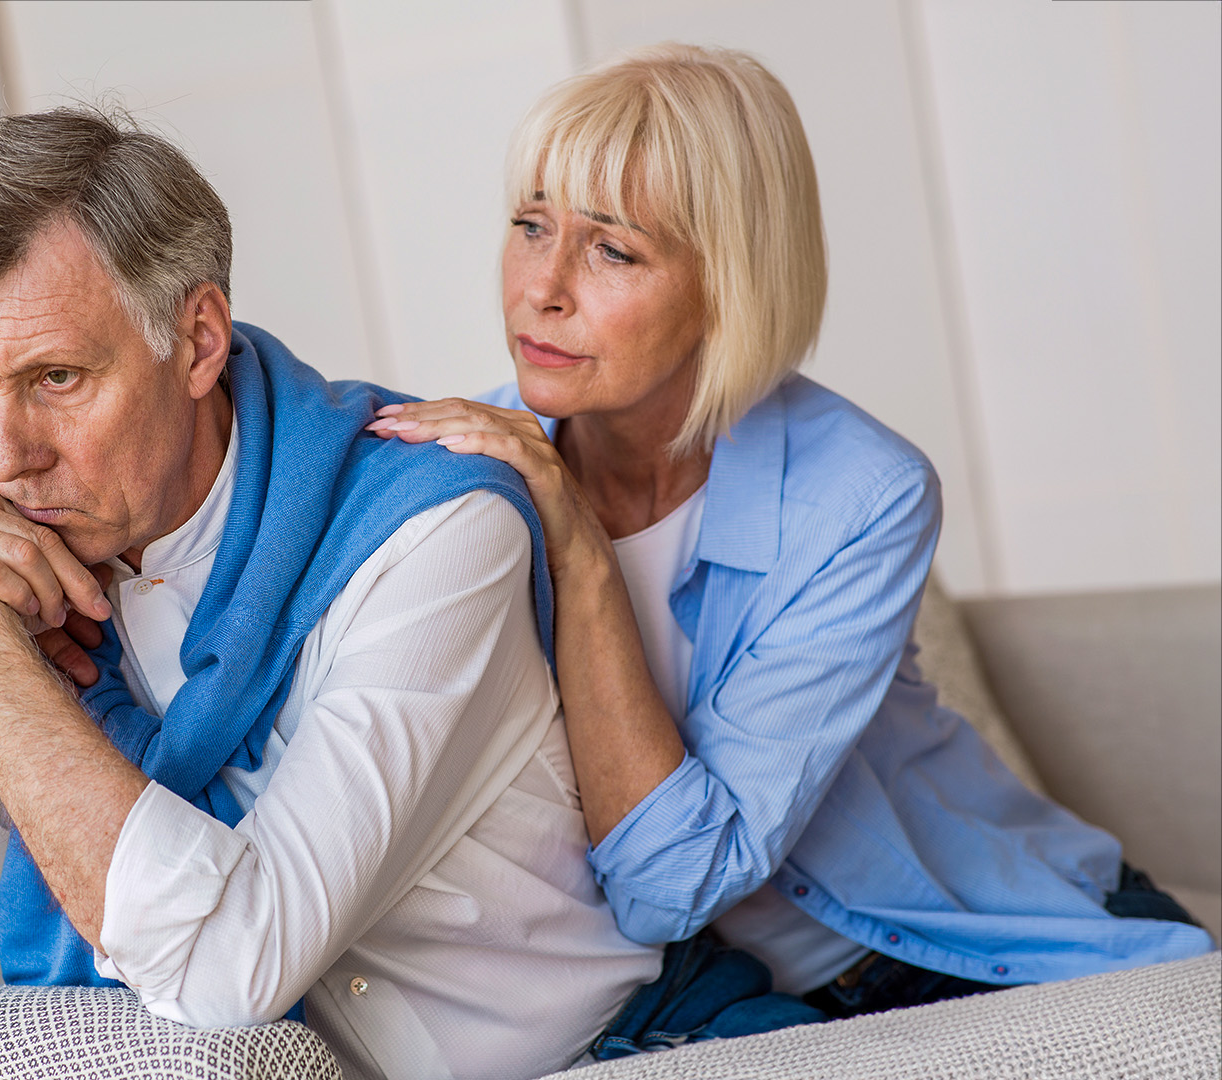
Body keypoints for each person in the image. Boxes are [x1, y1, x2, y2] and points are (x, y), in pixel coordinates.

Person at [0, 106, 673, 1080]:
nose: (7, 457)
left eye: (56, 377)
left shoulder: (431, 534)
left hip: (567, 1060)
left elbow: (230, 970)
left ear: (200, 341)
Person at [367, 42, 1215, 1026]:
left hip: (977, 946)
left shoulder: (864, 497)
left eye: (612, 249)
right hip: (701, 994)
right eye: (529, 226)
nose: (542, 287)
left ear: (727, 283)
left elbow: (670, 885)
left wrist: (583, 553)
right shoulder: (463, 466)